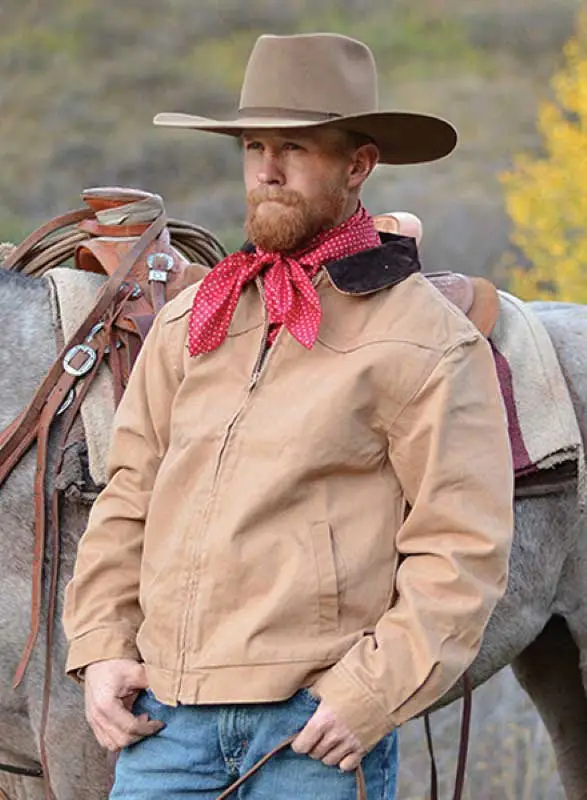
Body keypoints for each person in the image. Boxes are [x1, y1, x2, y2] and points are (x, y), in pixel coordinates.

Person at [63, 32, 514, 800]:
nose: (266, 171)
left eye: (294, 148)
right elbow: (129, 496)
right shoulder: (191, 322)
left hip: (310, 730)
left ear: (357, 165)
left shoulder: (425, 340)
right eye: (253, 148)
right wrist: (102, 644)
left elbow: (461, 546)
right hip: (164, 724)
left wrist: (369, 694)